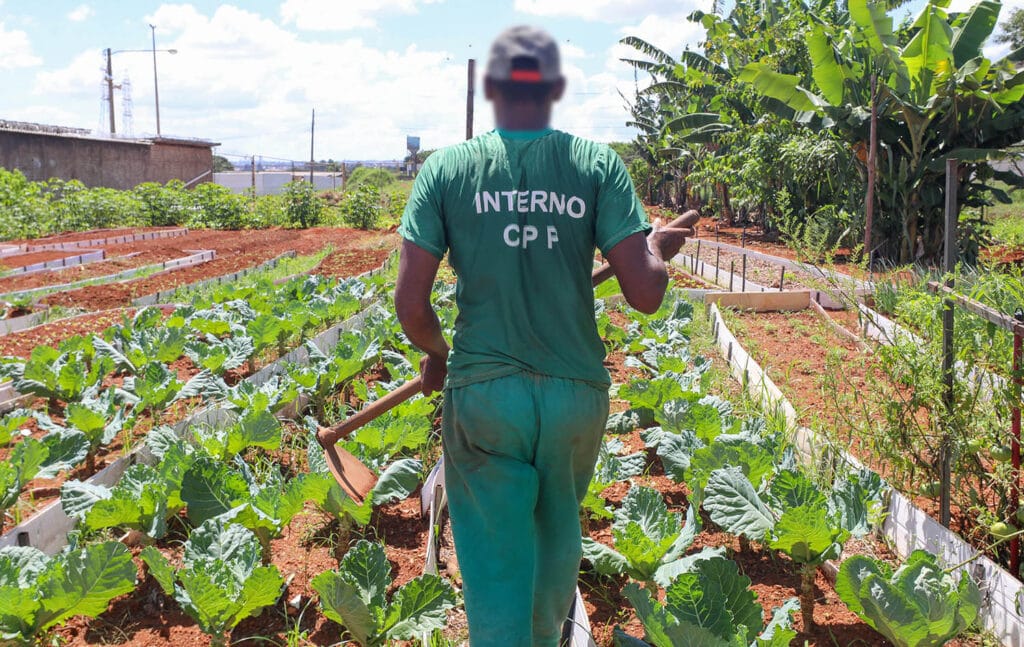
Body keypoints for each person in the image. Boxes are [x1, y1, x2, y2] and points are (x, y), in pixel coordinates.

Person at [394, 25, 690, 647]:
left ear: (492, 88)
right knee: (556, 541)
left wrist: (440, 355)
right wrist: (656, 248)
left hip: (484, 395)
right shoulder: (596, 165)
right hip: (573, 398)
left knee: (495, 564)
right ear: (554, 87)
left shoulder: (446, 169)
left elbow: (411, 304)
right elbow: (646, 293)